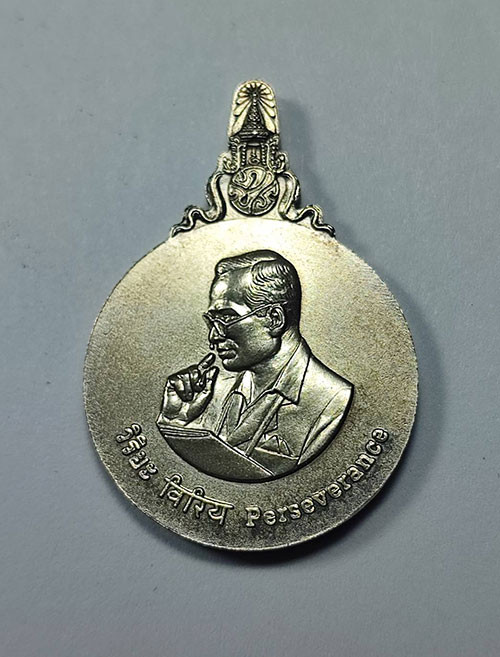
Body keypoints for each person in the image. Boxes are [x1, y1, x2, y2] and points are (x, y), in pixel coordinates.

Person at [157, 250, 353, 478]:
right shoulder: (210, 392)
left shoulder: (332, 402)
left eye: (226, 318)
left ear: (274, 319)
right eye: (212, 321)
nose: (214, 337)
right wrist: (176, 422)